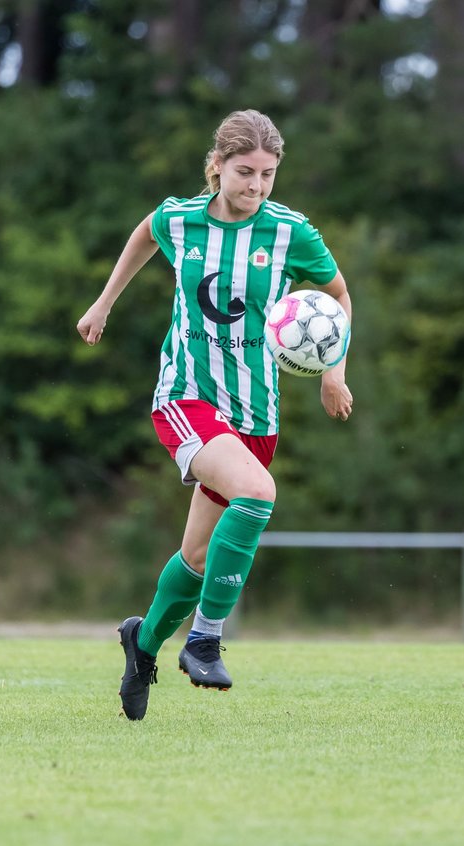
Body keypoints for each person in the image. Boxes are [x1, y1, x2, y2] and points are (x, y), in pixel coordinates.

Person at [77, 110, 353, 721]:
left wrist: (332, 370)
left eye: (268, 174)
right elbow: (145, 232)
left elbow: (337, 296)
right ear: (218, 167)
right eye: (245, 172)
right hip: (186, 396)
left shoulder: (292, 232)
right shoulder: (183, 218)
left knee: (200, 559)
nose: (256, 186)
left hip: (256, 411)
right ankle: (204, 638)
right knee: (258, 492)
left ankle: (142, 643)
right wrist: (104, 303)